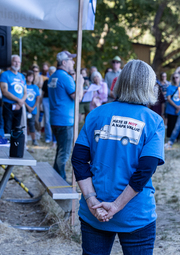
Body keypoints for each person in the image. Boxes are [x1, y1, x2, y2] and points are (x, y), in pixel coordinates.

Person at [71, 59, 164, 255]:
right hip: (135, 214)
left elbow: (79, 159)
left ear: (119, 82)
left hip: (94, 211)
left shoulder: (96, 114)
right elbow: (146, 169)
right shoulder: (153, 120)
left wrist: (91, 200)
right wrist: (116, 206)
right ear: (149, 86)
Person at [48, 51, 83, 180]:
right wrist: (80, 82)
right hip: (65, 120)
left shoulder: (53, 76)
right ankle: (60, 180)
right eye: (71, 60)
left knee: (60, 150)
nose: (73, 62)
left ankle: (55, 176)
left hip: (55, 118)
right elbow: (77, 98)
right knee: (64, 153)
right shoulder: (65, 77)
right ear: (64, 62)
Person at [0, 55, 27, 134]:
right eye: (15, 61)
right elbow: (4, 91)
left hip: (20, 106)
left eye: (19, 62)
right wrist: (19, 100)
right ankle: (8, 145)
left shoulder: (22, 76)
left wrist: (20, 103)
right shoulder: (5, 75)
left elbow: (25, 93)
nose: (17, 64)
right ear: (10, 62)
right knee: (8, 128)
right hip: (8, 106)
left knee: (17, 129)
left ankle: (16, 146)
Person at [24, 70, 40, 146]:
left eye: (32, 76)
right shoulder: (24, 86)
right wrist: (27, 107)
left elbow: (38, 98)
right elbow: (21, 97)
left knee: (32, 124)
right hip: (25, 109)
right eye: (29, 76)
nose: (30, 78)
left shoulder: (35, 87)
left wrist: (33, 107)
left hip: (33, 110)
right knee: (24, 124)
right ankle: (24, 140)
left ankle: (34, 140)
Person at [42, 66, 56, 144]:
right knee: (47, 120)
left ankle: (55, 138)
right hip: (46, 100)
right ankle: (48, 137)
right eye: (51, 72)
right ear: (49, 73)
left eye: (54, 72)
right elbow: (42, 93)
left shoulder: (58, 81)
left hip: (54, 101)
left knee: (54, 119)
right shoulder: (46, 81)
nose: (52, 73)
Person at [165, 72, 180, 138]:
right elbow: (168, 99)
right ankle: (170, 138)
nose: (175, 79)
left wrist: (179, 107)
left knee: (179, 125)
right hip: (171, 110)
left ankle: (178, 138)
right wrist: (176, 107)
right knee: (171, 125)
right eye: (174, 78)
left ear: (179, 78)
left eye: (177, 77)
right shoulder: (169, 87)